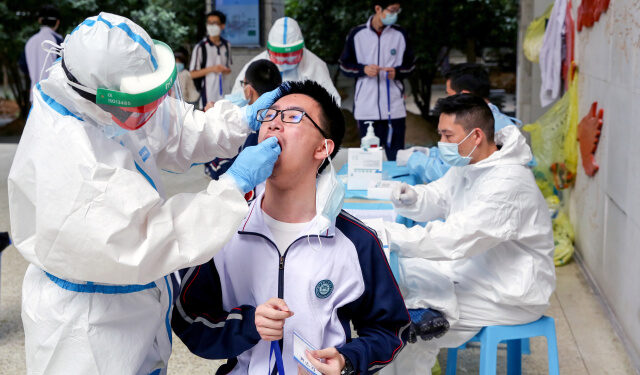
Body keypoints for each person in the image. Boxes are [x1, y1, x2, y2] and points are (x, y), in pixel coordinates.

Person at [8, 13, 283, 375]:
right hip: (89, 330)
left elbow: (175, 126)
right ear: (100, 95)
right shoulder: (75, 162)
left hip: (131, 303)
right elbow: (152, 239)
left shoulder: (103, 96)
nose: (149, 110)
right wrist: (232, 187)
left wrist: (241, 120)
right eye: (139, 102)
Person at [172, 80, 410, 375]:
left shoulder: (356, 241)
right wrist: (248, 325)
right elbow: (189, 320)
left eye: (293, 117)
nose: (273, 125)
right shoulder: (223, 228)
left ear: (323, 147)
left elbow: (390, 330)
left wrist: (347, 360)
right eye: (269, 116)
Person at [379, 94, 555, 375]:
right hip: (477, 273)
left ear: (475, 135)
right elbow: (439, 195)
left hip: (508, 293)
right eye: (440, 135)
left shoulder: (509, 183)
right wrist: (412, 197)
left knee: (406, 326)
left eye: (448, 136)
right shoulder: (470, 164)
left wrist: (390, 235)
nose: (442, 145)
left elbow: (455, 239)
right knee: (397, 291)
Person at [398, 63, 523, 183]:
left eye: (450, 94)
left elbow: (447, 174)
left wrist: (413, 160)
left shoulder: (476, 124)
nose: (448, 99)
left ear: (465, 95)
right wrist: (431, 153)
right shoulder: (497, 118)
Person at [339, 1, 415, 161]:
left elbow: (411, 66)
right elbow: (345, 66)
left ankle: (396, 185)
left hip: (394, 108)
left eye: (397, 11)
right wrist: (363, 70)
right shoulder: (357, 34)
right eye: (392, 10)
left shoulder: (400, 34)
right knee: (370, 158)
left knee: (396, 155)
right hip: (366, 107)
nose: (394, 14)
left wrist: (397, 72)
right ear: (378, 9)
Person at [231, 17, 341, 105]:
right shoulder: (255, 66)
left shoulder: (315, 65)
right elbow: (237, 99)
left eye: (290, 56)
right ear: (269, 50)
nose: (284, 61)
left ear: (301, 49)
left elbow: (332, 103)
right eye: (279, 55)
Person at [204, 59, 282, 182]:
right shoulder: (283, 120)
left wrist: (211, 124)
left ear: (248, 90)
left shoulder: (253, 129)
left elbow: (225, 174)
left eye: (243, 83)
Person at [190, 10, 232, 108]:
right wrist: (213, 69)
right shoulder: (200, 47)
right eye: (209, 23)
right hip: (207, 97)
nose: (211, 26)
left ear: (222, 26)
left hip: (225, 95)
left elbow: (229, 68)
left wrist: (225, 70)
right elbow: (192, 74)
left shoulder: (226, 45)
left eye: (215, 23)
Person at [24, 4, 63, 101]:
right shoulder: (59, 41)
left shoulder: (30, 41)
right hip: (54, 98)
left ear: (40, 21)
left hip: (35, 96)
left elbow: (23, 66)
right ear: (57, 22)